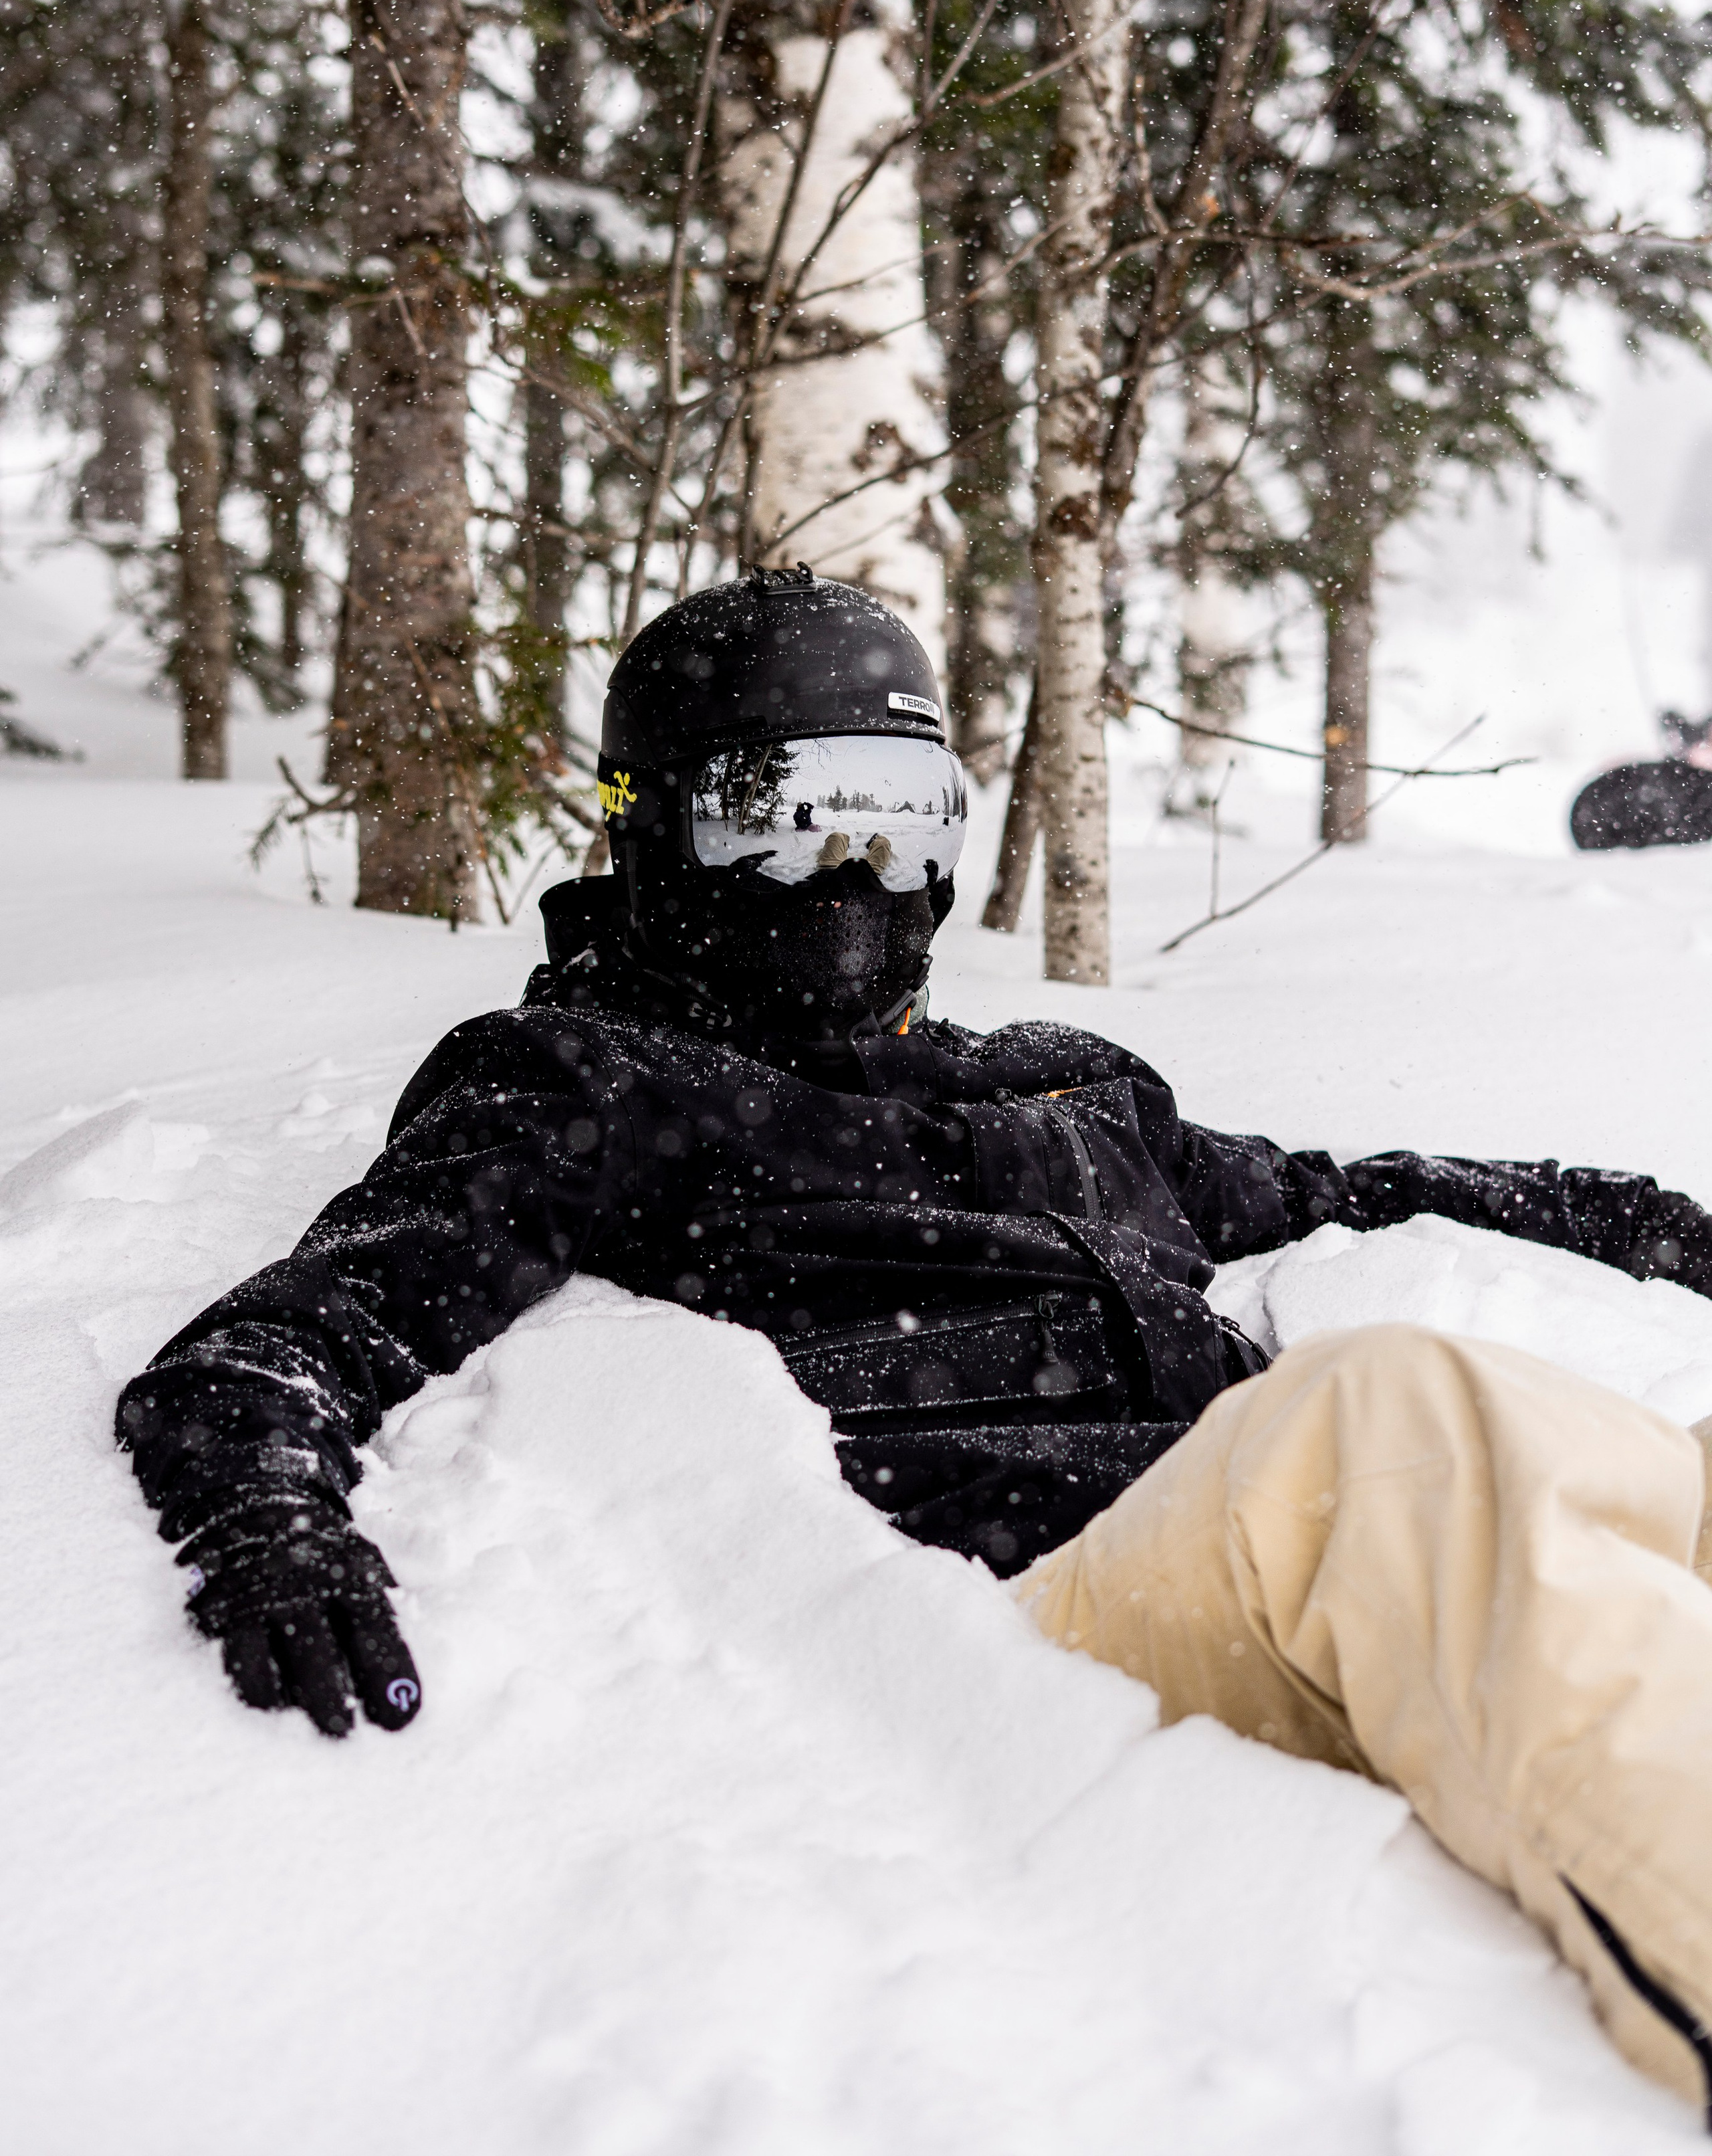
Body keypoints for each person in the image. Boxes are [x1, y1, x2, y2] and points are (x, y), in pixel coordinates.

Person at [118, 568, 1712, 2111]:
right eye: (786, 818)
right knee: (1387, 1425)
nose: (857, 878)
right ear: (652, 830)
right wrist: (262, 1511)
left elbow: (1323, 1190)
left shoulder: (1046, 1077)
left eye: (904, 817)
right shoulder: (592, 1083)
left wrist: (1626, 1215)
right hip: (1055, 1612)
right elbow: (295, 1331)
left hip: (1284, 1548)